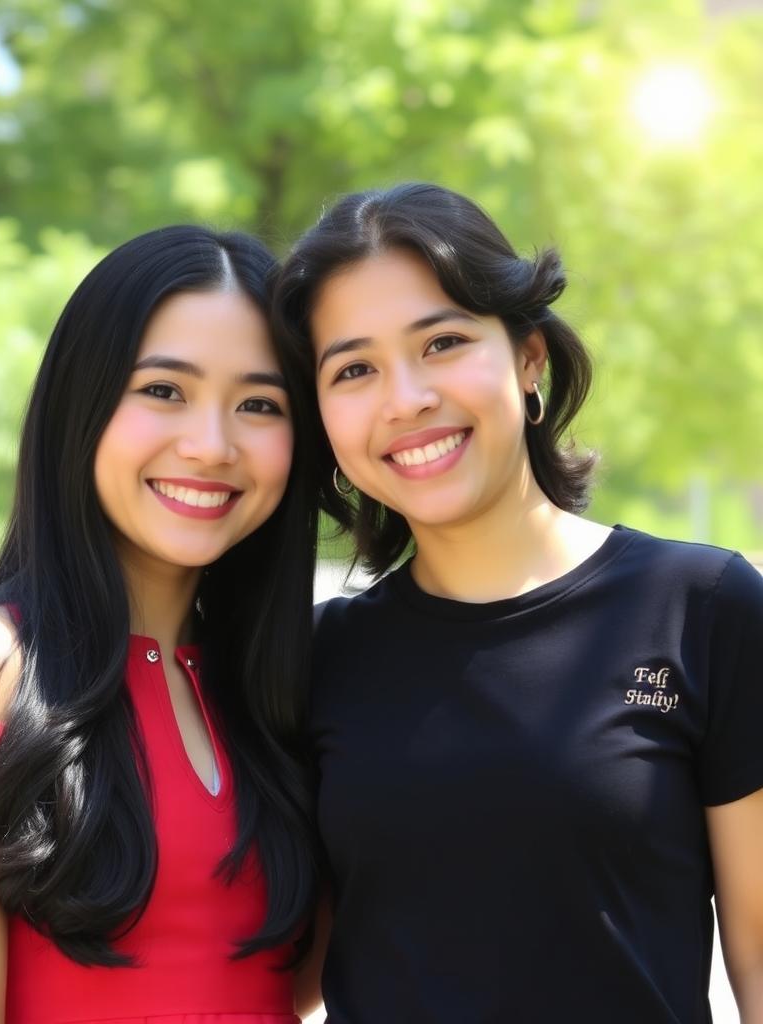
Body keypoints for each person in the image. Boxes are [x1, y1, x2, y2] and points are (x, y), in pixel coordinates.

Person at [273, 183, 763, 1023]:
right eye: (354, 369)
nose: (405, 399)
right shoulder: (316, 657)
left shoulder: (704, 607)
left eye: (444, 342)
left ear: (529, 358)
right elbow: (280, 974)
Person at [0, 225, 321, 1024]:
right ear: (84, 403)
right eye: (164, 390)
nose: (211, 445)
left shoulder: (283, 685)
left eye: (259, 404)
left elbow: (292, 981)